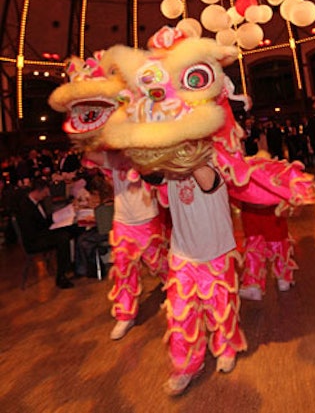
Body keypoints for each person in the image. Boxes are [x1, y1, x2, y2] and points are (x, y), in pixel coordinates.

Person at [159, 161, 247, 397]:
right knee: (180, 315)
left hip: (216, 250)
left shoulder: (215, 155)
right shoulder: (168, 155)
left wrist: (183, 150)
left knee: (221, 308)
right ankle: (185, 366)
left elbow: (208, 182)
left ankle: (226, 348)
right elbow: (151, 176)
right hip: (183, 253)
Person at [82, 150, 169, 341]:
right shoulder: (114, 158)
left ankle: (173, 290)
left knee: (158, 262)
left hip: (147, 220)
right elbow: (91, 153)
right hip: (123, 222)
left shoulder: (148, 156)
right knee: (123, 270)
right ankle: (125, 315)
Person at [15, 177, 74, 289]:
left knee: (68, 230)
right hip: (34, 241)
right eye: (45, 192)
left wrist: (58, 218)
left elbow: (42, 222)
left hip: (41, 234)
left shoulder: (37, 202)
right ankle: (61, 277)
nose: (47, 195)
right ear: (38, 191)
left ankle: (68, 265)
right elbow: (32, 232)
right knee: (63, 238)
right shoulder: (25, 207)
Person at [236, 200, 298, 300]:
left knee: (254, 242)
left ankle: (254, 285)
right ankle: (283, 278)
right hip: (272, 202)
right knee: (276, 238)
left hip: (250, 202)